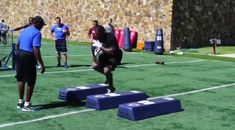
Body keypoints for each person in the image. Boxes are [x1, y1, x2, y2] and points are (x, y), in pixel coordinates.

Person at [15, 16, 46, 112]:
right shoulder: (37, 33)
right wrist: (41, 64)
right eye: (41, 25)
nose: (42, 27)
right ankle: (27, 105)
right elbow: (36, 49)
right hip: (28, 56)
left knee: (20, 79)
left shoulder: (24, 30)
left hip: (19, 54)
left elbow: (18, 44)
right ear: (37, 23)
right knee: (31, 81)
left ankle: (20, 102)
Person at [91, 25, 121, 93]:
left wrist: (101, 47)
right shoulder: (96, 38)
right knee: (95, 66)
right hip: (104, 55)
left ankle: (111, 88)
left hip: (113, 56)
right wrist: (94, 58)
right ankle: (109, 75)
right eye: (95, 33)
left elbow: (111, 51)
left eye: (98, 33)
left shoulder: (110, 37)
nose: (96, 35)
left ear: (103, 32)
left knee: (106, 70)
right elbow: (93, 48)